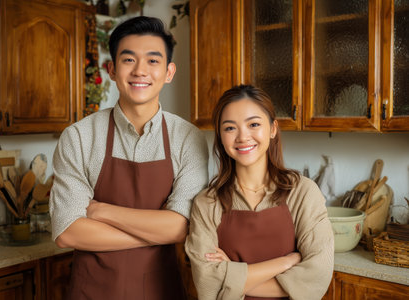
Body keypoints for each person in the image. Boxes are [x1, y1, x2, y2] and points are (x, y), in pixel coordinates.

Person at [50, 16, 208, 300]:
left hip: (162, 290)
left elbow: (182, 226)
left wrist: (102, 211)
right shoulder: (79, 137)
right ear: (111, 69)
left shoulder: (188, 139)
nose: (140, 71)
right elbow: (68, 232)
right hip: (93, 291)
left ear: (169, 72)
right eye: (128, 60)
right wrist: (158, 231)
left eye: (152, 60)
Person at [185, 85, 334, 300]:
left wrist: (230, 277)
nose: (243, 137)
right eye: (230, 128)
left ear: (273, 129)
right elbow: (207, 286)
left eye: (253, 124)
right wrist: (286, 262)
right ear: (220, 135)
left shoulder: (303, 192)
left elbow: (316, 279)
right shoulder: (207, 203)